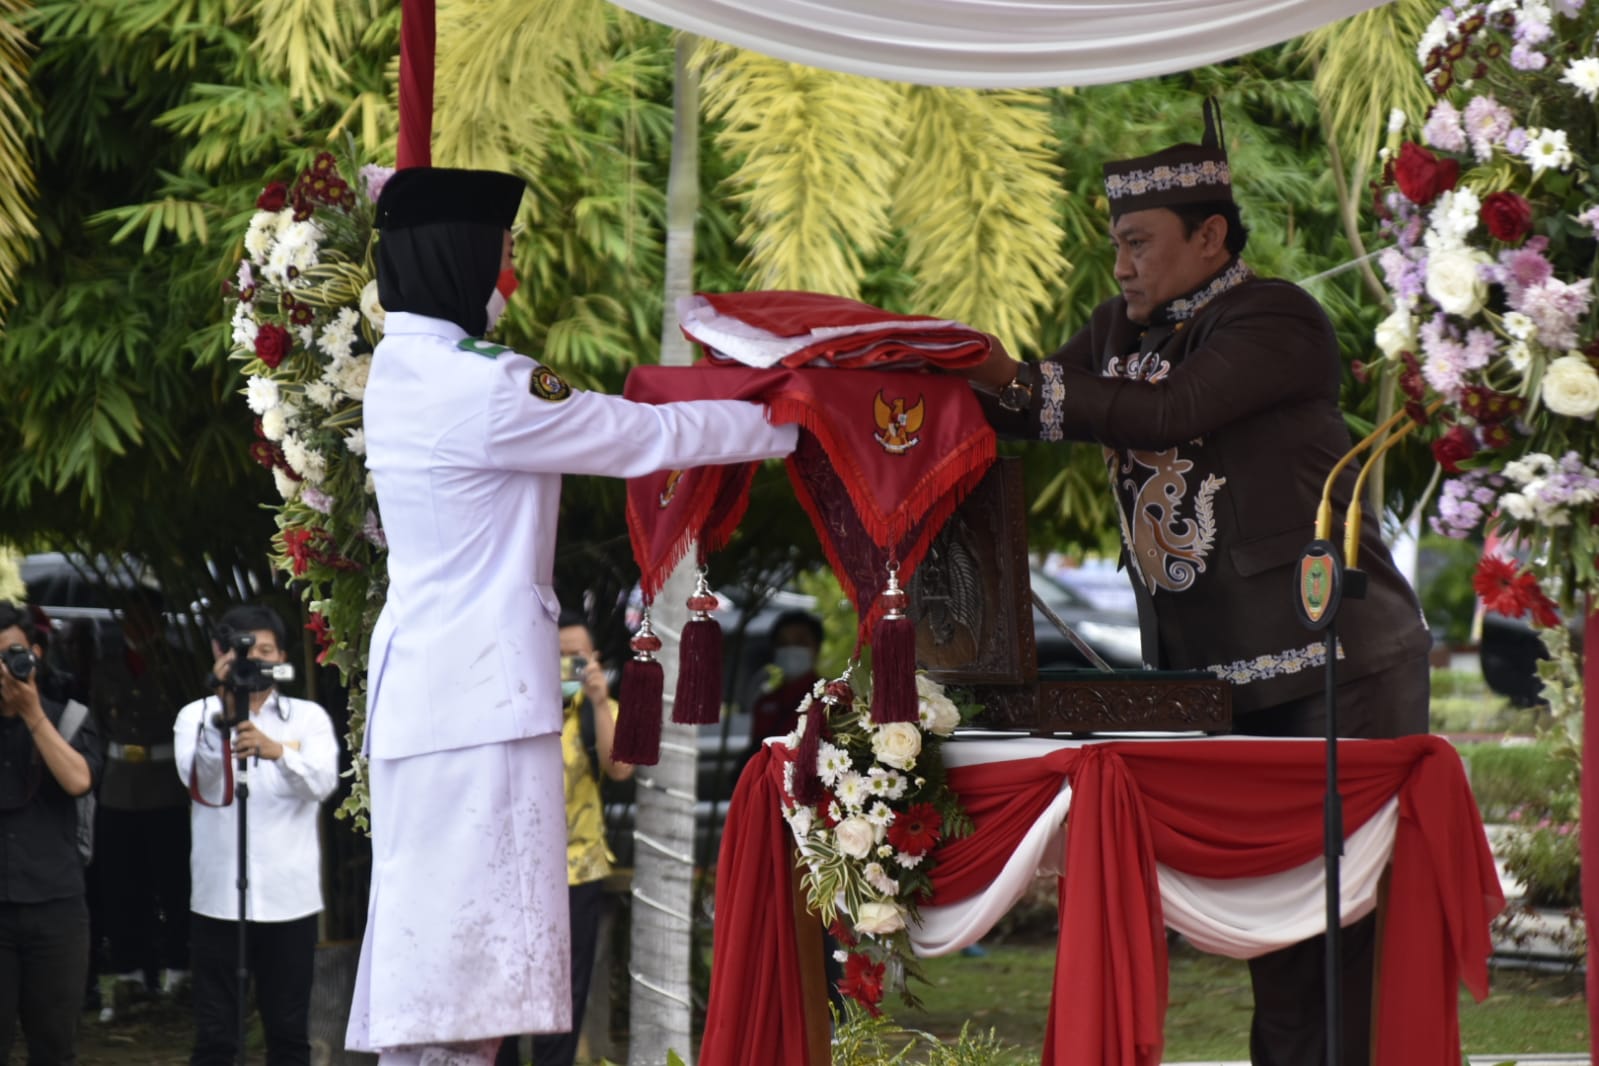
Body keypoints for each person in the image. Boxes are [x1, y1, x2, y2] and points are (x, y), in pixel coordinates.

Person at [954, 102, 1431, 1066]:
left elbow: (1168, 407)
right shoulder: (1115, 329)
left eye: (1138, 243)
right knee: (1282, 947)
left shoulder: (1275, 317)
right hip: (1221, 678)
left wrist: (1015, 379)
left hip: (1333, 664)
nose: (1121, 266)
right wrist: (922, 377)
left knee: (1339, 944)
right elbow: (1032, 405)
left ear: (1210, 237)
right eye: (1114, 245)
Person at [347, 166, 798, 1065]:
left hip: (431, 701)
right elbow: (641, 437)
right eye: (502, 251)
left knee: (438, 968)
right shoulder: (481, 386)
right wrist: (789, 422)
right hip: (477, 706)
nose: (507, 272)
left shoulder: (401, 365)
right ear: (459, 255)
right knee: (465, 981)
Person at [173, 604, 339, 1066]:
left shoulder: (308, 719)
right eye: (246, 652)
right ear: (220, 655)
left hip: (291, 901)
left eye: (266, 651)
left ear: (282, 655)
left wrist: (277, 752)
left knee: (288, 1035)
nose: (257, 661)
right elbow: (201, 783)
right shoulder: (196, 716)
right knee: (215, 1036)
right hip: (218, 901)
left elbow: (322, 785)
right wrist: (224, 714)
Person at [495, 610, 633, 1066]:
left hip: (579, 870)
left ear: (594, 658)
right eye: (558, 656)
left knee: (566, 988)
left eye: (579, 655)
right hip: (516, 872)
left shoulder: (602, 712)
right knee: (511, 984)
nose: (570, 665)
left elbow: (620, 768)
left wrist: (597, 701)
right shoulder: (515, 705)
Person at [0, 600, 102, 1066]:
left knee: (55, 1048)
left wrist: (31, 713)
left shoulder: (69, 717)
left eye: (13, 654)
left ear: (36, 654)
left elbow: (79, 780)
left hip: (56, 907)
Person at [89, 590, 191, 1016]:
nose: (138, 626)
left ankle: (179, 970)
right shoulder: (105, 667)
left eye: (146, 618)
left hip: (165, 784)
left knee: (172, 882)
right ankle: (130, 972)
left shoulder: (179, 664)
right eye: (131, 618)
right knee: (122, 884)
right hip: (118, 788)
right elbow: (97, 723)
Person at [745, 609, 823, 747]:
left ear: (816, 648)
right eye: (783, 643)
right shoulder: (764, 702)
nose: (791, 649)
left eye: (800, 641)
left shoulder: (831, 697)